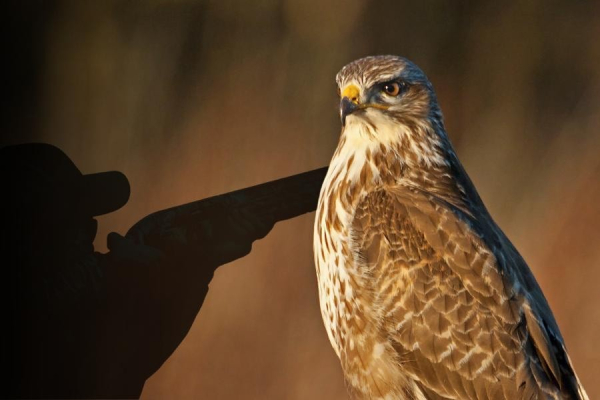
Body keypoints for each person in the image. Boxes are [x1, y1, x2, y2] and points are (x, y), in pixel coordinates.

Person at [0, 143, 326, 399]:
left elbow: (124, 372)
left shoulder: (63, 325)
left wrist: (189, 274)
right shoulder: (32, 338)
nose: (91, 229)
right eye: (71, 225)